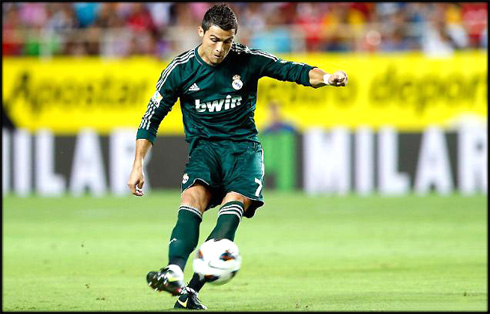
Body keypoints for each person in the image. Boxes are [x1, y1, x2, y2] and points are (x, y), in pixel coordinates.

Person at [127, 3, 347, 310]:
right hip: (205, 151)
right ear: (200, 32)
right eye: (214, 40)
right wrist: (137, 164)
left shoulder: (248, 60)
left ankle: (190, 290)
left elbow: (291, 70)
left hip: (243, 151)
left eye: (227, 41)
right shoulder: (180, 70)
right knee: (191, 200)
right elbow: (151, 118)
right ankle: (174, 269)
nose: (220, 49)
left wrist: (326, 78)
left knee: (233, 208)